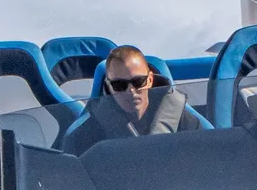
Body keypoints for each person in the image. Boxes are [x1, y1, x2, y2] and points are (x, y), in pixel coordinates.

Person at [57, 44, 196, 153]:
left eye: (138, 82)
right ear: (109, 86)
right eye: (119, 85)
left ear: (150, 80)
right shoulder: (84, 136)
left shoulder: (184, 123)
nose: (131, 91)